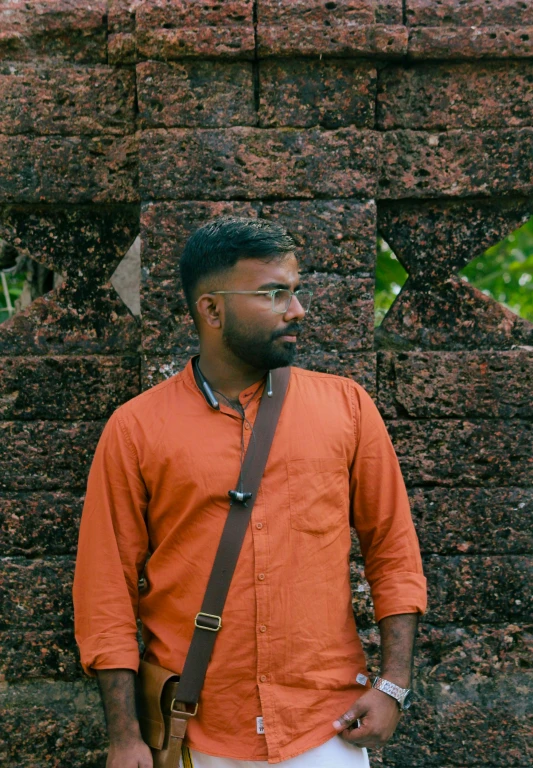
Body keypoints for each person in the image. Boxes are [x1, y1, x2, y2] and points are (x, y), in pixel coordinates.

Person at [73, 217, 427, 768]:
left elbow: (394, 552)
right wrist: (124, 737)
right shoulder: (135, 429)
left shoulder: (348, 408)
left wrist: (394, 686)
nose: (297, 310)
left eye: (295, 290)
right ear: (211, 310)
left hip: (326, 728)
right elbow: (104, 593)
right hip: (198, 731)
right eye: (273, 293)